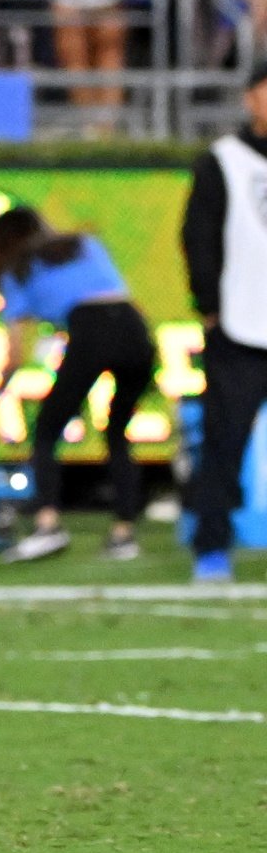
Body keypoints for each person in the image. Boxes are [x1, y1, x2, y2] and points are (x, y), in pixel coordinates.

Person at [0, 208, 155, 565]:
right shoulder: (85, 244)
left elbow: (15, 352)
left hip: (90, 330)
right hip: (134, 329)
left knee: (46, 432)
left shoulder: (17, 269)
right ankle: (124, 533)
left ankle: (48, 525)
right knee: (117, 433)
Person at [178, 64, 267, 585]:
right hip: (241, 324)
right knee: (223, 442)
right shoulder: (223, 162)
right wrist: (209, 305)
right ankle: (212, 547)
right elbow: (198, 235)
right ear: (249, 99)